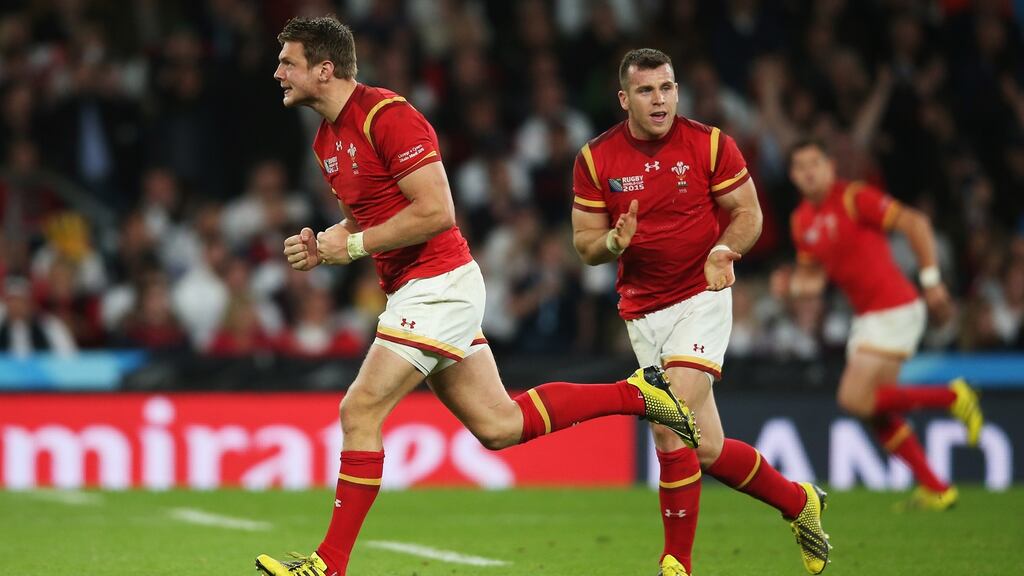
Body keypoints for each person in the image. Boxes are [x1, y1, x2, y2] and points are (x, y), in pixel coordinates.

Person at [255, 17, 698, 576]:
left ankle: (328, 565)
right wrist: (324, 245)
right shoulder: (327, 139)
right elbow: (361, 223)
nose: (278, 73)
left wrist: (357, 245)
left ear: (324, 69)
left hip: (438, 284)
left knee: (359, 408)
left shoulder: (387, 117)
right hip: (413, 290)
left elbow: (437, 211)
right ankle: (638, 395)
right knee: (499, 427)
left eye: (288, 62)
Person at [570, 48, 831, 576]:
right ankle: (799, 502)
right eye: (646, 90)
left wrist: (723, 250)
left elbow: (749, 214)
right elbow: (583, 244)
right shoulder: (596, 159)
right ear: (624, 99)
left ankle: (676, 563)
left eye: (667, 87)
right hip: (641, 312)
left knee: (668, 420)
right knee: (706, 448)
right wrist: (612, 246)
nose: (660, 99)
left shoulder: (710, 144)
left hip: (702, 295)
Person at [786, 138, 984, 510]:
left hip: (895, 306)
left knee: (853, 398)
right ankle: (937, 487)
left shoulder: (853, 197)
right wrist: (791, 287)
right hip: (867, 317)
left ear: (830, 166)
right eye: (800, 166)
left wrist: (931, 281)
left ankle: (954, 396)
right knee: (873, 410)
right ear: (793, 176)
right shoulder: (802, 222)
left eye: (815, 163)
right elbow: (812, 279)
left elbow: (915, 221)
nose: (809, 172)